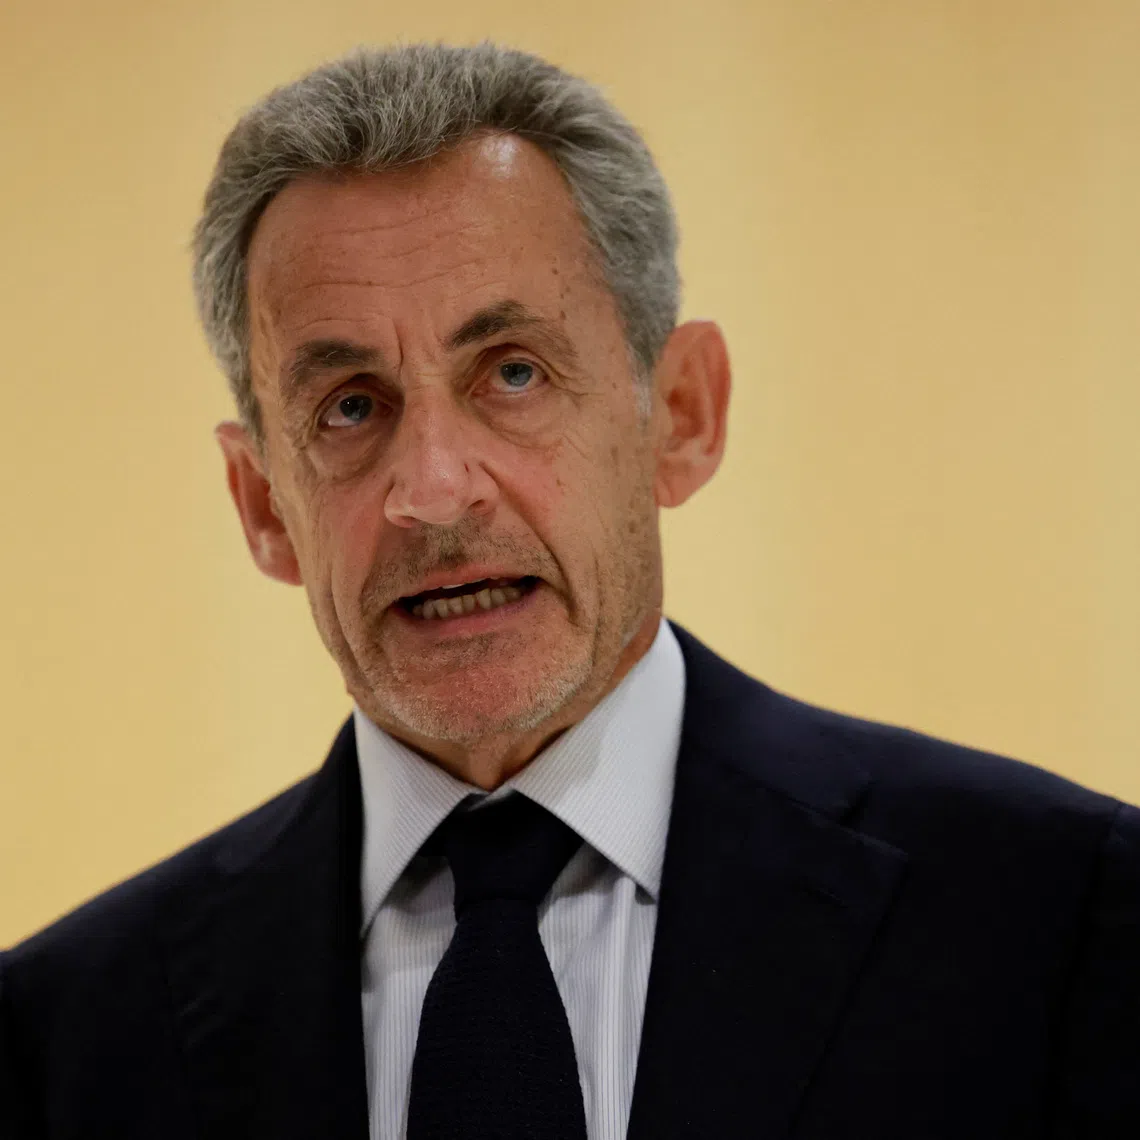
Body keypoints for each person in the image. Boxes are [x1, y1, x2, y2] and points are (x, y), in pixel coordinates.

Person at [1, 42, 1137, 1140]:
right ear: (261, 503)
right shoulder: (58, 1042)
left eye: (512, 373)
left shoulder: (1066, 923)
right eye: (350, 405)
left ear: (679, 416)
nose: (435, 493)